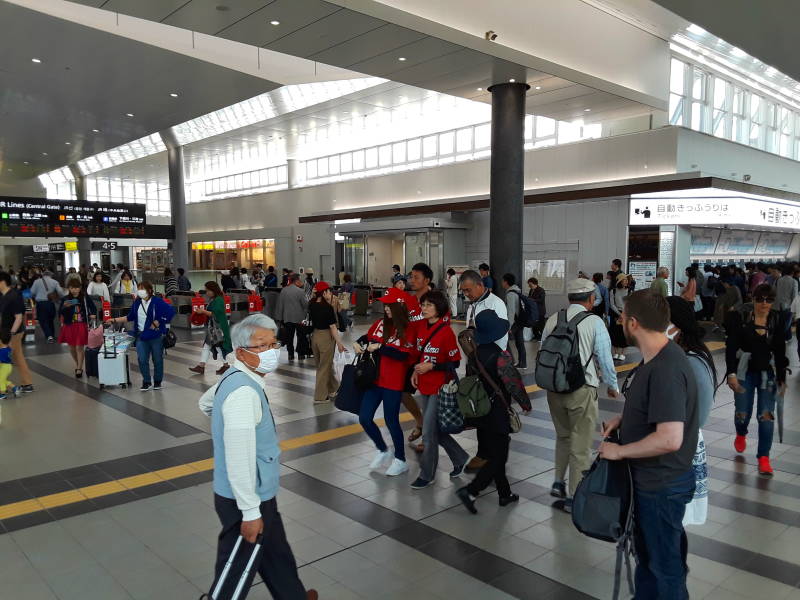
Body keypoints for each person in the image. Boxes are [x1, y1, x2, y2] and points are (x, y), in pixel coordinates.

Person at [198, 314, 318, 600]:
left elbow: (205, 403)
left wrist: (226, 422)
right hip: (245, 498)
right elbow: (239, 459)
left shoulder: (237, 375)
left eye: (273, 343)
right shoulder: (243, 393)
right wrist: (250, 512)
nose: (272, 351)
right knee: (236, 570)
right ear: (241, 352)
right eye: (261, 346)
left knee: (277, 556)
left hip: (259, 492)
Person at [599, 290, 698, 599]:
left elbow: (670, 438)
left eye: (622, 317)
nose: (619, 321)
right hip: (655, 484)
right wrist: (624, 422)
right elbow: (655, 411)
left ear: (633, 322)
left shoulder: (666, 368)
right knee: (652, 561)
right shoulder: (656, 358)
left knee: (663, 568)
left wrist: (620, 451)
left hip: (661, 486)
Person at [540, 278, 619, 510]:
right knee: (581, 444)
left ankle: (558, 481)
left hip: (554, 390)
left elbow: (545, 350)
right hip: (581, 390)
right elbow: (605, 358)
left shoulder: (554, 319)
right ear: (592, 299)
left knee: (563, 436)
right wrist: (612, 386)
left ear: (569, 298)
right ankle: (575, 497)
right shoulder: (594, 322)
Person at [455, 309, 531, 514]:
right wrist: (525, 404)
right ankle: (471, 491)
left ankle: (504, 494)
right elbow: (514, 383)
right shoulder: (501, 357)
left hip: (480, 411)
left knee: (494, 453)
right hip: (497, 412)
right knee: (499, 456)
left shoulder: (474, 356)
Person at [409, 290, 468, 489]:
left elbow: (455, 362)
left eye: (428, 305)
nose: (423, 308)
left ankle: (427, 474)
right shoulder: (421, 328)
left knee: (427, 432)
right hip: (424, 384)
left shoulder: (445, 332)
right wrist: (417, 371)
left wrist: (432, 366)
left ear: (438, 309)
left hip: (440, 387)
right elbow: (420, 354)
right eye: (422, 305)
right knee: (435, 430)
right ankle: (460, 458)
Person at [725, 283, 786, 476]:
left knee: (766, 416)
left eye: (768, 300)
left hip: (767, 374)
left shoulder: (776, 319)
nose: (764, 303)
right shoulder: (741, 317)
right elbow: (731, 347)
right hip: (744, 373)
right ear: (753, 299)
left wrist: (782, 378)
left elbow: (780, 350)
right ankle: (741, 433)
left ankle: (764, 458)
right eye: (760, 299)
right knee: (742, 412)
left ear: (773, 301)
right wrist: (731, 373)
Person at [665, 297, 716, 526]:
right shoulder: (679, 357)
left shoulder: (692, 362)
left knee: (674, 522)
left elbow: (700, 415)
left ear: (676, 325)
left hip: (680, 450)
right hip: (676, 447)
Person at [355, 288, 416, 476]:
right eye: (386, 304)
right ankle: (382, 449)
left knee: (391, 421)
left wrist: (380, 348)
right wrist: (359, 342)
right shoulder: (380, 323)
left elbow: (403, 355)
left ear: (400, 306)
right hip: (375, 380)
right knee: (364, 418)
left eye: (391, 305)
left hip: (393, 382)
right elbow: (367, 337)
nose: (387, 308)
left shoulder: (408, 329)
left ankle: (400, 459)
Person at [460, 269, 509, 473]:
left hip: (491, 364)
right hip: (476, 362)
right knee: (479, 406)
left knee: (491, 409)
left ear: (480, 285)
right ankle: (485, 452)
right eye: (464, 291)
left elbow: (501, 336)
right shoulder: (474, 304)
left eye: (468, 290)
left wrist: (488, 359)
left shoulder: (495, 304)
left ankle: (488, 454)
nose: (467, 294)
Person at [107, 281, 175, 392]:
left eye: (142, 289)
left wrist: (159, 321)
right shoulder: (137, 302)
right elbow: (130, 317)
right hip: (141, 336)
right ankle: (146, 381)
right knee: (142, 359)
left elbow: (170, 311)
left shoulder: (157, 301)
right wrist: (114, 320)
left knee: (157, 359)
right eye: (139, 289)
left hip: (155, 336)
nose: (140, 291)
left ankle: (157, 381)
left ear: (149, 290)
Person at [308, 282, 346, 404]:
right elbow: (333, 327)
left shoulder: (311, 304)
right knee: (323, 367)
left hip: (315, 336)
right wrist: (339, 343)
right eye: (328, 291)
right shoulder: (327, 308)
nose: (330, 294)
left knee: (323, 364)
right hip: (326, 337)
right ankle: (320, 396)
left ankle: (333, 388)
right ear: (324, 293)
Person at [189, 281, 233, 376]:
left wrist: (203, 311)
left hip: (218, 328)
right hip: (214, 327)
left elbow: (215, 314)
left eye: (208, 290)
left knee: (218, 346)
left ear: (214, 290)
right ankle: (201, 366)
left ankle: (225, 366)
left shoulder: (218, 300)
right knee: (208, 345)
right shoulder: (215, 299)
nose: (207, 293)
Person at [0, 272, 33, 393]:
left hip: (13, 333)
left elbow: (19, 317)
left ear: (3, 282)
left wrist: (11, 335)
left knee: (13, 357)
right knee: (15, 356)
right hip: (5, 332)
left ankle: (24, 383)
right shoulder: (3, 295)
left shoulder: (13, 296)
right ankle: (24, 383)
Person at [58, 281, 98, 378]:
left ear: (80, 288)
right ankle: (78, 364)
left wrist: (93, 314)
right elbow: (60, 312)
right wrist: (65, 307)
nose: (74, 290)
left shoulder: (84, 297)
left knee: (79, 347)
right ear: (69, 289)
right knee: (72, 348)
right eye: (72, 288)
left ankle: (79, 368)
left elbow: (93, 308)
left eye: (76, 288)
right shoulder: (65, 299)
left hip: (81, 324)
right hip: (69, 325)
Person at [276, 274, 309, 361]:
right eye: (300, 280)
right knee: (300, 336)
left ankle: (290, 354)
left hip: (287, 318)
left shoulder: (284, 290)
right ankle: (301, 354)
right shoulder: (300, 291)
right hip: (299, 318)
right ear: (296, 281)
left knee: (289, 337)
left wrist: (279, 318)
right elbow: (305, 305)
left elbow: (280, 305)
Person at [30, 269, 64, 343]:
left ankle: (49, 336)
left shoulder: (36, 282)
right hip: (51, 304)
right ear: (51, 275)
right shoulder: (55, 282)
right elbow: (61, 292)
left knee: (43, 321)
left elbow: (32, 292)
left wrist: (38, 294)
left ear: (43, 275)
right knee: (50, 320)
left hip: (41, 304)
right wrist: (61, 299)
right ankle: (51, 335)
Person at [501, 273, 527, 369]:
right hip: (519, 320)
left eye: (502, 281)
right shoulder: (517, 291)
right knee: (519, 342)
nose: (502, 283)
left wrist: (509, 326)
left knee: (505, 341)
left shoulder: (511, 294)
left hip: (515, 322)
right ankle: (522, 363)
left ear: (506, 282)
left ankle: (511, 363)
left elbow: (511, 311)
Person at [609, 273, 629, 361]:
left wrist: (624, 313)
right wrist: (619, 313)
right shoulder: (613, 291)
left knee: (624, 334)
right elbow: (612, 304)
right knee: (615, 333)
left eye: (627, 280)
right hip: (616, 314)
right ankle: (616, 352)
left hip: (626, 314)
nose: (626, 281)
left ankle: (623, 353)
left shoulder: (629, 291)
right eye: (624, 280)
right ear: (620, 281)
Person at [775, 263, 797, 341]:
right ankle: (782, 339)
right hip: (788, 306)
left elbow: (775, 292)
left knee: (781, 322)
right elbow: (794, 296)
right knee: (787, 323)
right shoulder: (794, 281)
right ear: (792, 272)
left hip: (778, 305)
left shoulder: (779, 280)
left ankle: (788, 337)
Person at [0, 330, 20, 399]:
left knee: (1, 381)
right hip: (8, 366)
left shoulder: (1, 351)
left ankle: (2, 394)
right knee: (3, 379)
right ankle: (14, 388)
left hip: (4, 367)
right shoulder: (8, 348)